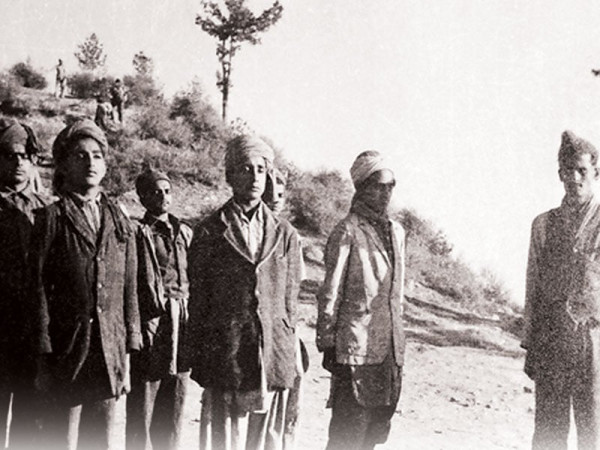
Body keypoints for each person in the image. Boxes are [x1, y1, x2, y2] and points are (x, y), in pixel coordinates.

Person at [28, 119, 141, 449]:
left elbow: (129, 288)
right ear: (63, 165)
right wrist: (43, 357)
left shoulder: (120, 219)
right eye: (80, 155)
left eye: (96, 155)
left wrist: (126, 355)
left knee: (100, 438)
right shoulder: (51, 218)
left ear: (105, 165)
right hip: (67, 351)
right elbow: (37, 291)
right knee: (62, 437)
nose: (90, 162)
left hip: (108, 351)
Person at [186, 134, 303, 450]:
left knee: (266, 438)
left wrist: (286, 345)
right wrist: (200, 354)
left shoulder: (285, 233)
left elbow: (290, 300)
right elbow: (199, 300)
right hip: (227, 351)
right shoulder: (210, 230)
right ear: (230, 175)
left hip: (270, 352)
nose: (254, 177)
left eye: (261, 170)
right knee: (225, 437)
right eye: (246, 169)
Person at [317, 150, 405, 450]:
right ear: (362, 187)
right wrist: (328, 343)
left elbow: (396, 296)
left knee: (374, 434)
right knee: (347, 434)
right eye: (378, 186)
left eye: (390, 186)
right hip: (353, 350)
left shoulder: (396, 233)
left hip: (389, 351)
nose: (385, 193)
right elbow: (330, 293)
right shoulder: (347, 231)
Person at [522, 130, 600, 450]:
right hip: (551, 338)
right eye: (568, 170)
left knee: (593, 429)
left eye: (582, 170)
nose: (575, 178)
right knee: (549, 432)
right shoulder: (543, 224)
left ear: (596, 172)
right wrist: (530, 343)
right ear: (559, 175)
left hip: (594, 342)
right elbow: (533, 287)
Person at [127, 169, 193, 450]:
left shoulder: (184, 231)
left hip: (182, 318)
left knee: (176, 387)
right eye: (155, 192)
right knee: (145, 390)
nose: (163, 197)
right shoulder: (137, 233)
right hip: (152, 319)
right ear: (142, 198)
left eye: (167, 191)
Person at [0, 120, 52, 448]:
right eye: (9, 155)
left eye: (26, 156)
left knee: (30, 425)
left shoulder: (46, 210)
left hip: (33, 334)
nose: (19, 163)